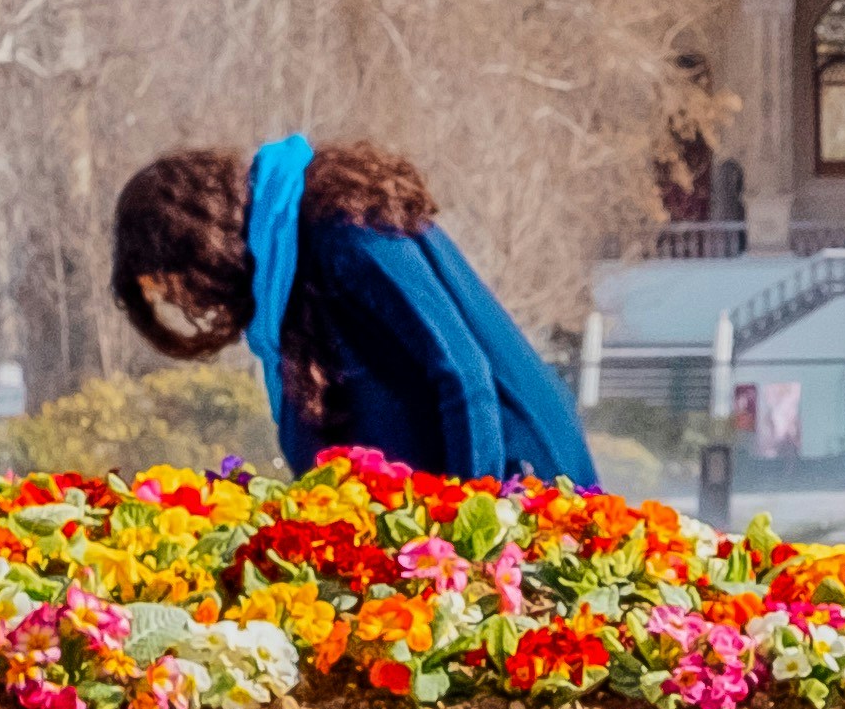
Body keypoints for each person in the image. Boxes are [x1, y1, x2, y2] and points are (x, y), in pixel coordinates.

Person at [107, 141, 596, 484]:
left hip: (519, 473)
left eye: (176, 285)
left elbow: (462, 373)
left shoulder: (343, 230)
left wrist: (470, 533)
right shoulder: (286, 283)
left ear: (200, 244)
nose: (193, 303)